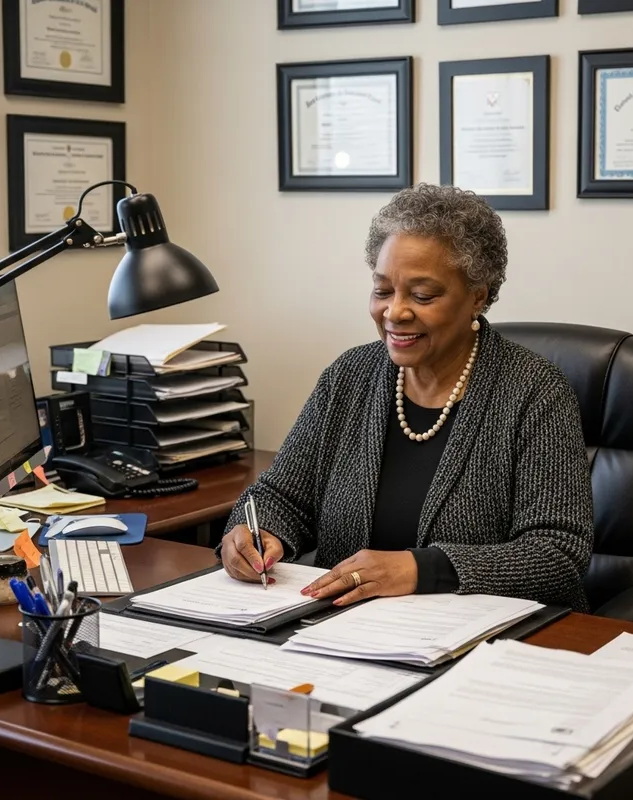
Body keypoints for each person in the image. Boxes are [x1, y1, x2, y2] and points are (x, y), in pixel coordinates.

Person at [218, 183, 594, 611]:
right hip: (346, 629)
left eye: (422, 295)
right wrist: (255, 535)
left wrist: (421, 569)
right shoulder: (349, 376)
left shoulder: (535, 391)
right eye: (382, 291)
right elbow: (280, 497)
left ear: (478, 296)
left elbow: (558, 553)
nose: (394, 312)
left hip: (489, 636)